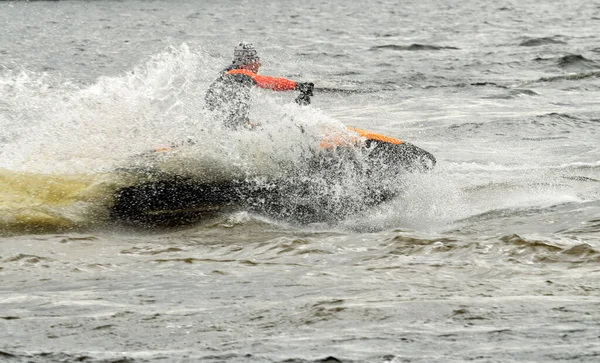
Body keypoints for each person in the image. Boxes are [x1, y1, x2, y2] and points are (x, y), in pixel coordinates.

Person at [204, 42, 314, 129]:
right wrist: (298, 86)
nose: (259, 64)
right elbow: (268, 82)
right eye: (257, 60)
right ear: (249, 62)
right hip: (227, 131)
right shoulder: (240, 73)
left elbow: (232, 114)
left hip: (220, 127)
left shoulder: (229, 75)